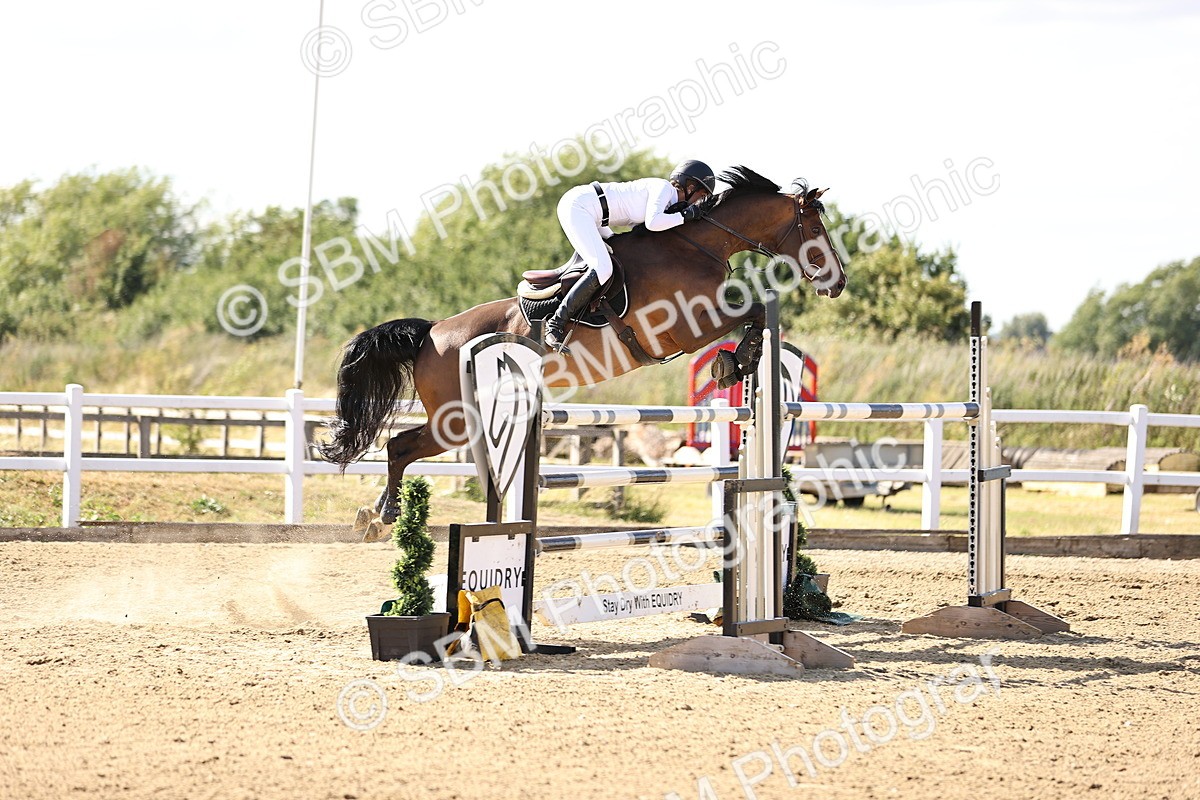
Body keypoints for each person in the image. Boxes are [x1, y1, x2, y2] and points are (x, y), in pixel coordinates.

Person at [544, 160, 717, 353]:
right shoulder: (663, 188)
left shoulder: (667, 201)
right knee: (603, 268)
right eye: (702, 196)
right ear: (690, 187)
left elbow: (644, 232)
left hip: (595, 215)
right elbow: (653, 223)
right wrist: (686, 215)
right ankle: (555, 324)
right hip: (579, 207)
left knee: (618, 254)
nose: (699, 203)